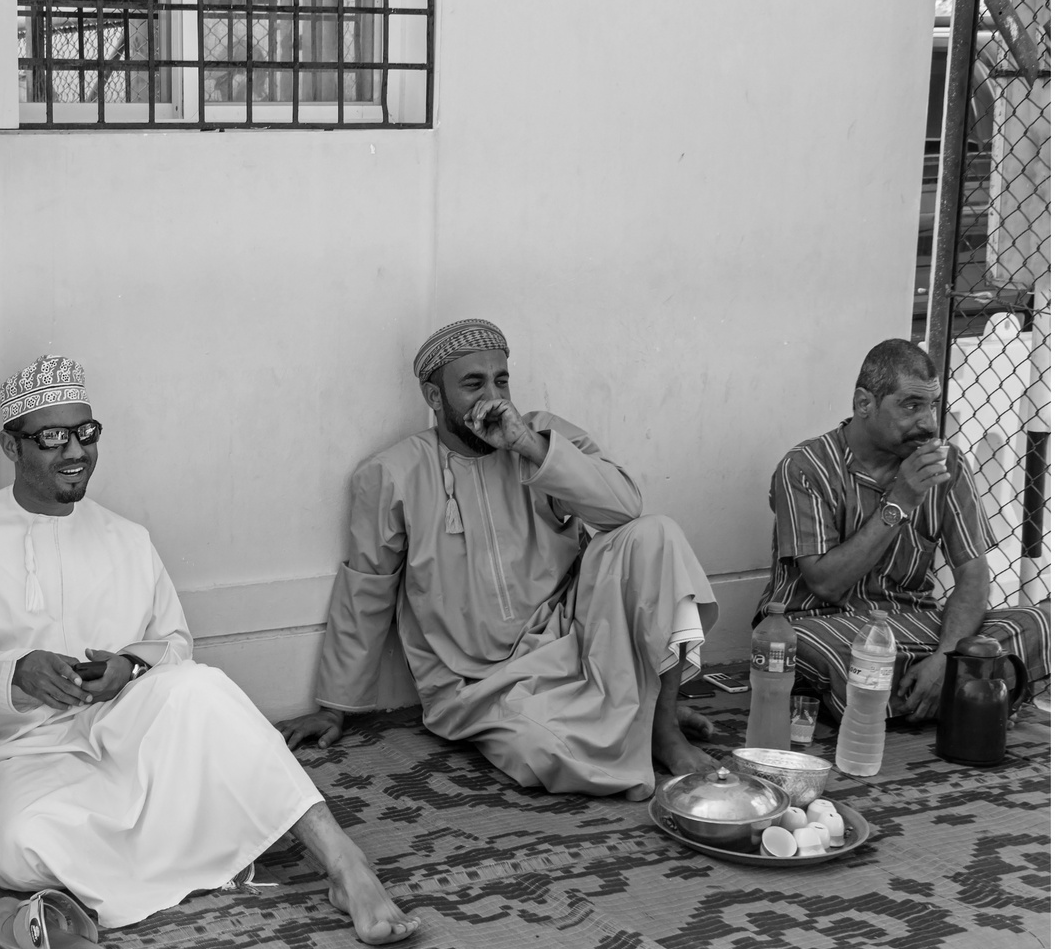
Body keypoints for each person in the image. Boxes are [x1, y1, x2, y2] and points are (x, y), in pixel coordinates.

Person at [0, 355, 418, 949]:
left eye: (86, 434)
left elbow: (175, 644)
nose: (75, 452)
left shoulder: (126, 539)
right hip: (13, 751)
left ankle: (345, 863)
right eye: (53, 438)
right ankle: (46, 871)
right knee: (22, 840)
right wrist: (13, 672)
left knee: (202, 687)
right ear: (12, 447)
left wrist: (129, 667)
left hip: (118, 729)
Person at [280, 318, 718, 801]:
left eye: (501, 380)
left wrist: (528, 447)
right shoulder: (391, 474)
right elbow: (367, 588)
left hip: (574, 634)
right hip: (481, 683)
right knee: (551, 752)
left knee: (656, 533)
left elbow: (624, 509)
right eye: (473, 383)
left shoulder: (544, 436)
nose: (493, 396)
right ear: (433, 396)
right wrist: (334, 707)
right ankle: (637, 707)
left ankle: (661, 728)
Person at [758, 338, 1048, 720]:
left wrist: (947, 656)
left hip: (917, 625)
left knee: (1044, 623)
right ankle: (971, 692)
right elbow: (825, 584)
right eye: (911, 405)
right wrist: (901, 501)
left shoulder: (947, 463)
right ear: (864, 403)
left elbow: (974, 575)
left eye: (932, 405)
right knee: (813, 646)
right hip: (826, 623)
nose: (928, 423)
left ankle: (926, 689)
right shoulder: (805, 466)